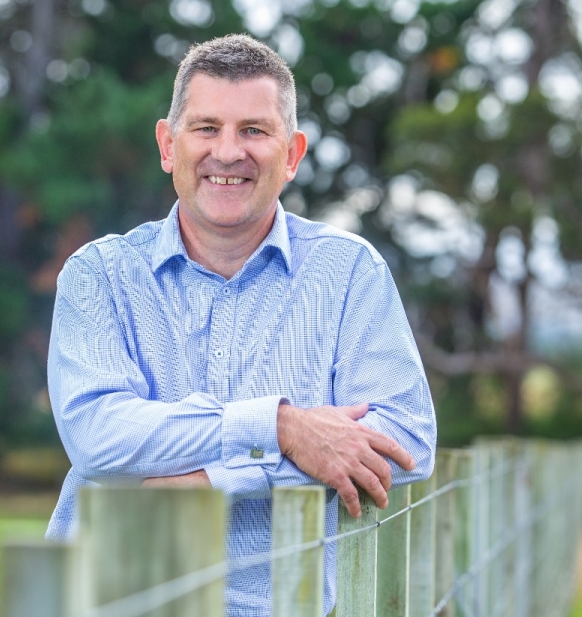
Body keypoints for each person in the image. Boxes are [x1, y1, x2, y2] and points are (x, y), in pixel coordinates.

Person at [45, 34, 437, 616]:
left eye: (254, 130)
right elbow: (98, 436)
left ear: (293, 154)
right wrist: (281, 429)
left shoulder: (349, 272)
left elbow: (407, 439)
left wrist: (211, 479)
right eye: (206, 128)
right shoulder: (98, 274)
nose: (227, 152)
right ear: (168, 145)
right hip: (107, 601)